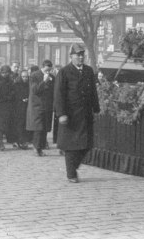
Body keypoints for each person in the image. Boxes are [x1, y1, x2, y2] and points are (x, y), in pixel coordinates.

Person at [54, 44, 100, 183]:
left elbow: (93, 92)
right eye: (77, 55)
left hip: (85, 114)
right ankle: (71, 174)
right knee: (71, 146)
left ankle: (72, 168)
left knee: (87, 145)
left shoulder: (88, 71)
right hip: (71, 115)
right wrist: (61, 114)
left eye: (82, 55)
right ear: (71, 57)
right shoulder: (64, 72)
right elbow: (59, 94)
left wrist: (96, 109)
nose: (80, 57)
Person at [27, 60, 55, 156]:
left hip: (47, 106)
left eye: (50, 70)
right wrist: (44, 81)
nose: (48, 72)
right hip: (37, 106)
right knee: (38, 128)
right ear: (42, 67)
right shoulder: (34, 75)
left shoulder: (52, 77)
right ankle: (37, 148)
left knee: (45, 128)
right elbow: (35, 90)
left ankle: (41, 148)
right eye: (47, 69)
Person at [0, 65, 16, 150]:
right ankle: (1, 142)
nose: (5, 74)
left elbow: (13, 91)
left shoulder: (10, 80)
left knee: (4, 124)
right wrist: (2, 98)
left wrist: (10, 97)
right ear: (1, 72)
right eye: (3, 73)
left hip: (8, 105)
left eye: (7, 73)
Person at [12, 68, 32, 149]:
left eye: (26, 77)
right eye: (23, 77)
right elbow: (14, 95)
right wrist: (21, 99)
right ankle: (20, 141)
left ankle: (24, 140)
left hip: (27, 106)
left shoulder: (29, 84)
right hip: (18, 107)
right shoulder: (16, 84)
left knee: (25, 124)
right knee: (19, 124)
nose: (25, 78)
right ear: (21, 76)